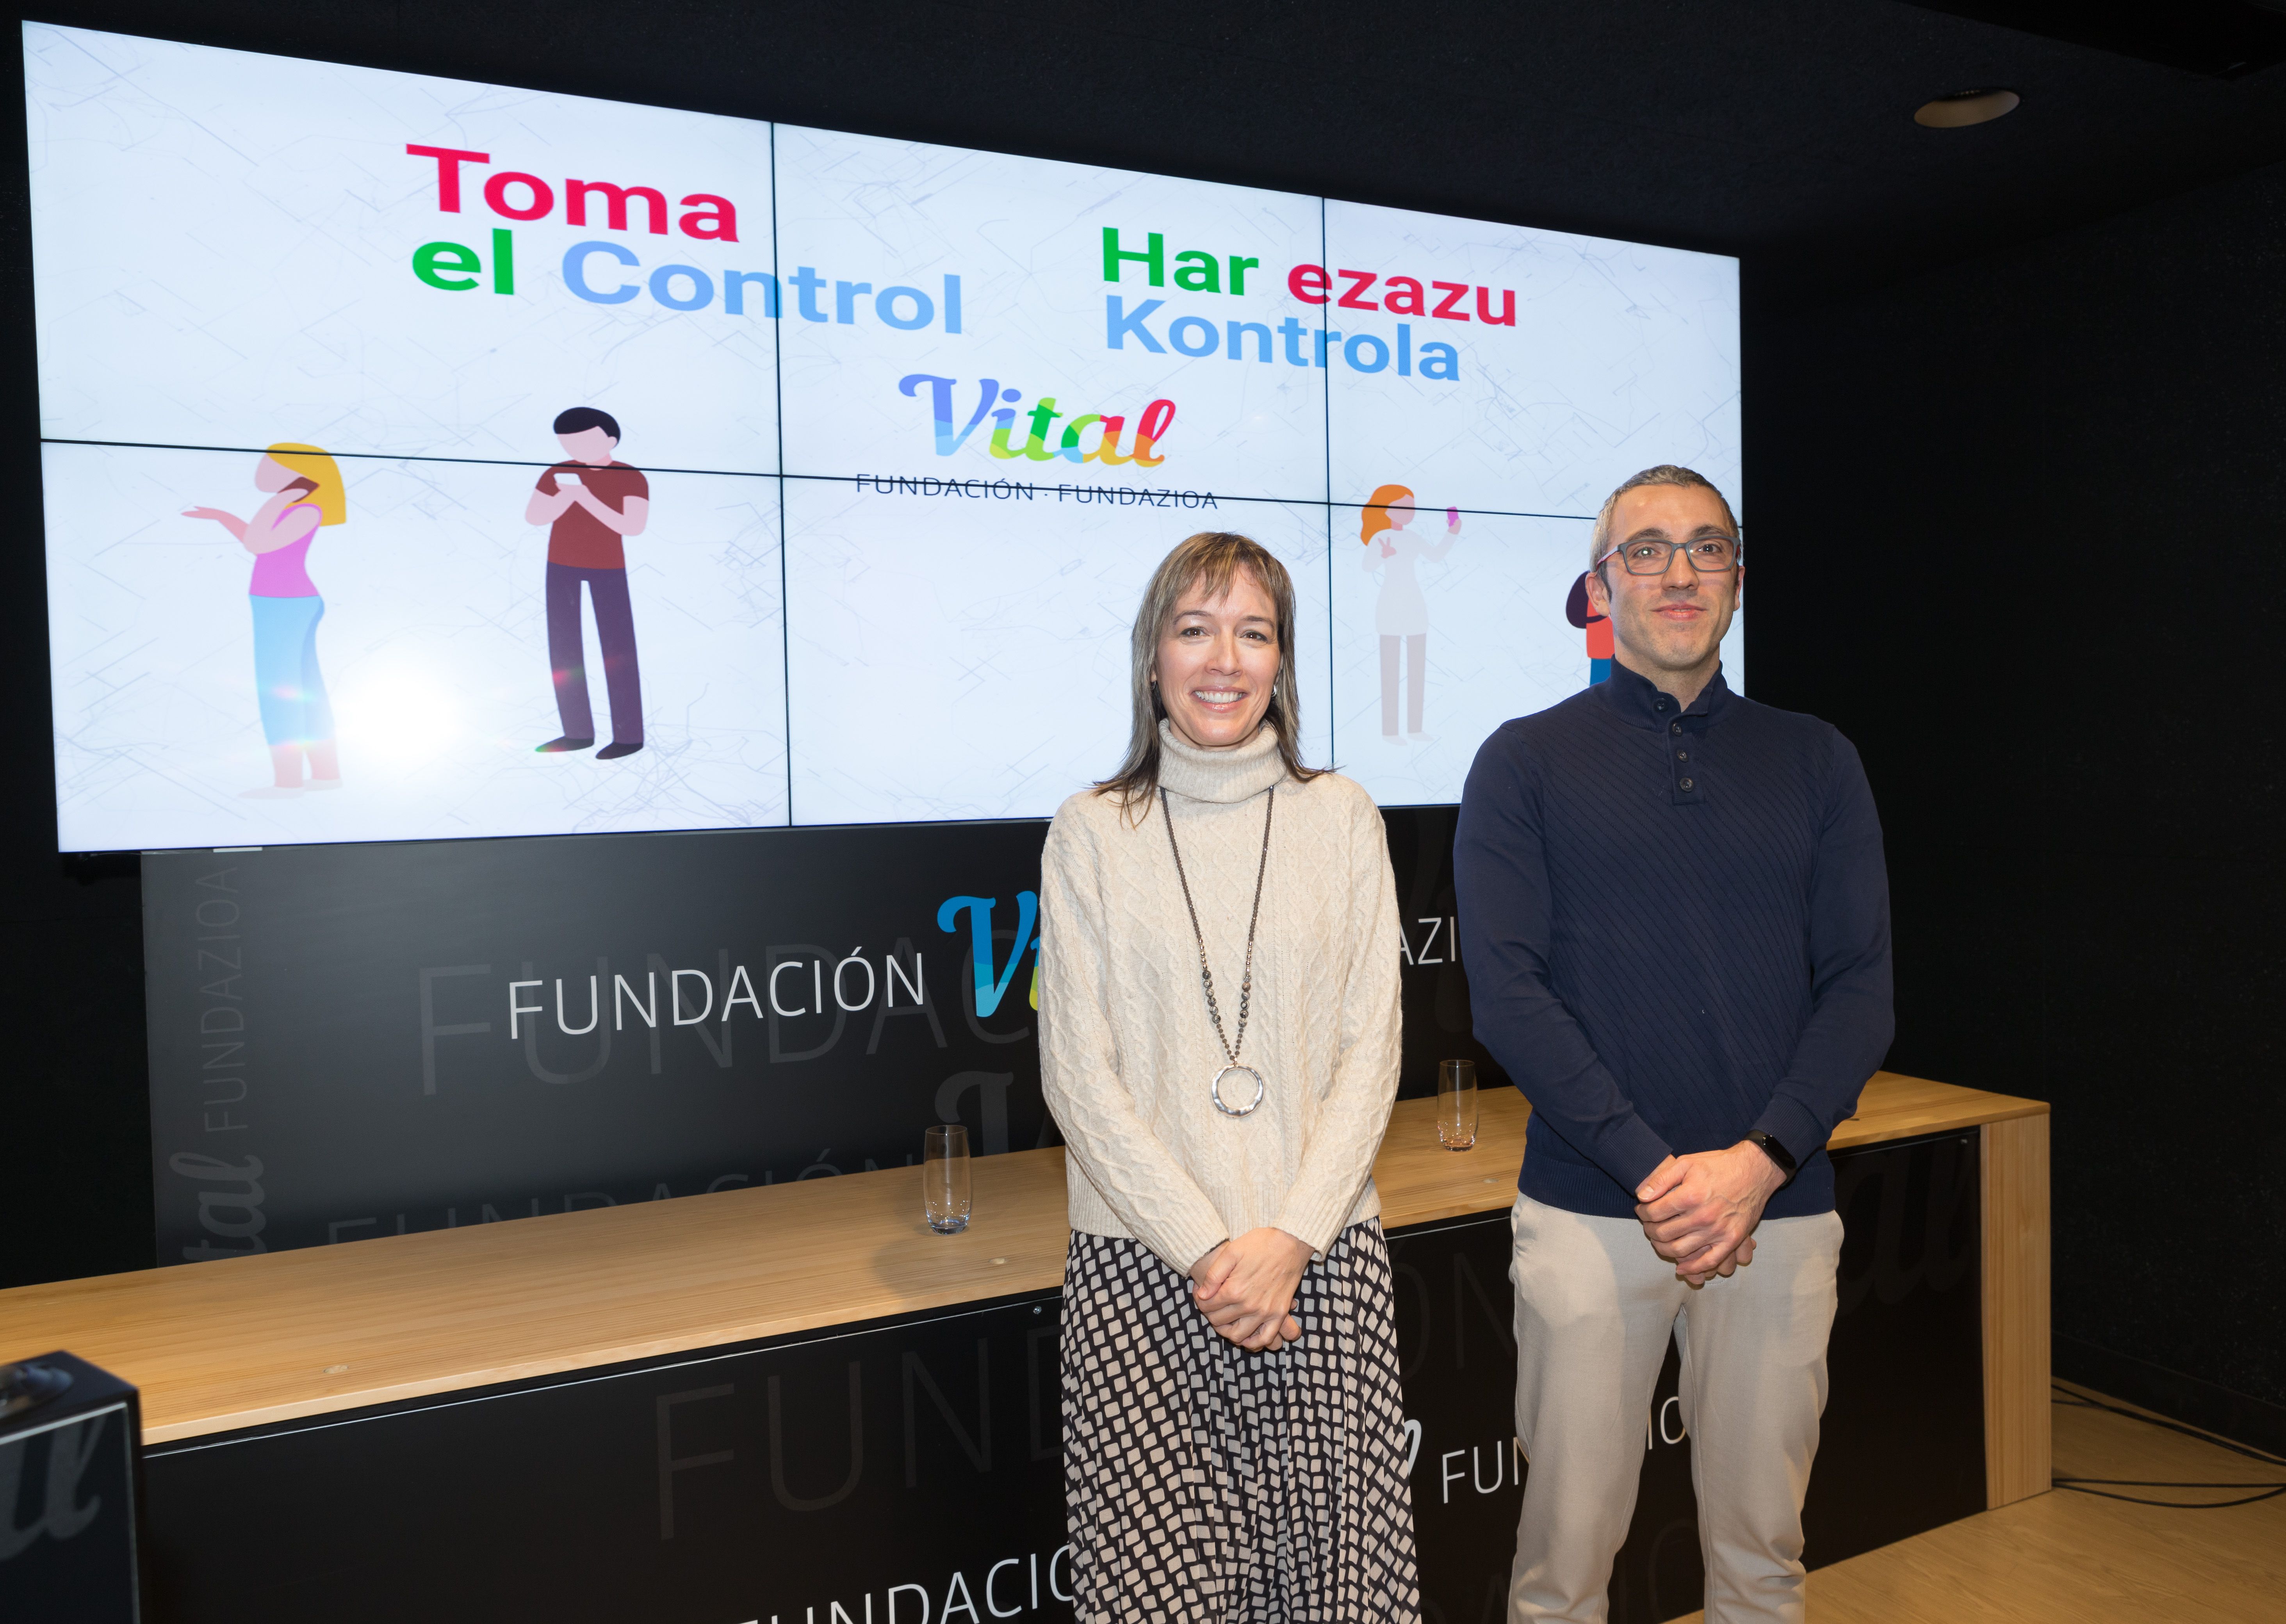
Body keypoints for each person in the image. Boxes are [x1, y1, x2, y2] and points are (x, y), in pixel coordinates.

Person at [1454, 465, 1892, 1624]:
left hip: (1777, 1213)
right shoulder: (1521, 761)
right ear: (1601, 587)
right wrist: (1655, 1172)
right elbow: (1508, 997)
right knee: (1561, 1575)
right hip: (1590, 1214)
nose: (1679, 571)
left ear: (1736, 578)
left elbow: (1859, 993)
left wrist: (1756, 1164)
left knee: (1762, 1565)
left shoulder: (1817, 759)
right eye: (1645, 549)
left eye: (1706, 547)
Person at [1039, 531, 1421, 1622]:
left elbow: (1371, 1051)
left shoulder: (1341, 817)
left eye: (1252, 632)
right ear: (1151, 654)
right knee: (1160, 1599)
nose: (1223, 659)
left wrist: (1288, 1239)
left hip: (1320, 1266)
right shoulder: (1090, 832)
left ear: (1280, 660)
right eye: (1194, 628)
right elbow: (1076, 1075)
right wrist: (1211, 1253)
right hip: (1142, 1275)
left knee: (1337, 1597)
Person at [183, 443, 347, 798]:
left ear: (297, 472)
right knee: (305, 688)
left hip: (284, 605)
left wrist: (283, 498)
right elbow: (258, 541)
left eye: (269, 463)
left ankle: (288, 783)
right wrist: (222, 517)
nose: (261, 469)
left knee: (280, 691)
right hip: (284, 603)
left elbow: (258, 545)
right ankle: (325, 776)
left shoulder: (305, 509)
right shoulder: (295, 508)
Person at [526, 406, 649, 759]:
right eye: (568, 443)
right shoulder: (557, 473)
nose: (575, 449)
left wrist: (585, 498)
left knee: (618, 650)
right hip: (560, 566)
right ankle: (577, 733)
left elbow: (632, 527)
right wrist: (565, 497)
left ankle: (629, 737)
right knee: (564, 649)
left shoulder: (630, 477)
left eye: (584, 441)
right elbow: (534, 517)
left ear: (610, 440)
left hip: (608, 568)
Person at [1361, 484, 1461, 741]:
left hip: (1415, 607)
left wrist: (1452, 532)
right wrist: (1383, 555)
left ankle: (1415, 729)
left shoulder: (1413, 537)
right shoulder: (1381, 537)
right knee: (1390, 673)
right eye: (1403, 507)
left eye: (1411, 508)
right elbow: (1368, 566)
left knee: (1417, 672)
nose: (1410, 512)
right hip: (1389, 608)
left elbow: (1435, 556)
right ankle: (1390, 732)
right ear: (1386, 509)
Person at [1563, 570, 1614, 685]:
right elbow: (1575, 616)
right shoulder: (1596, 581)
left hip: (1605, 649)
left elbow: (1575, 618)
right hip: (1602, 649)